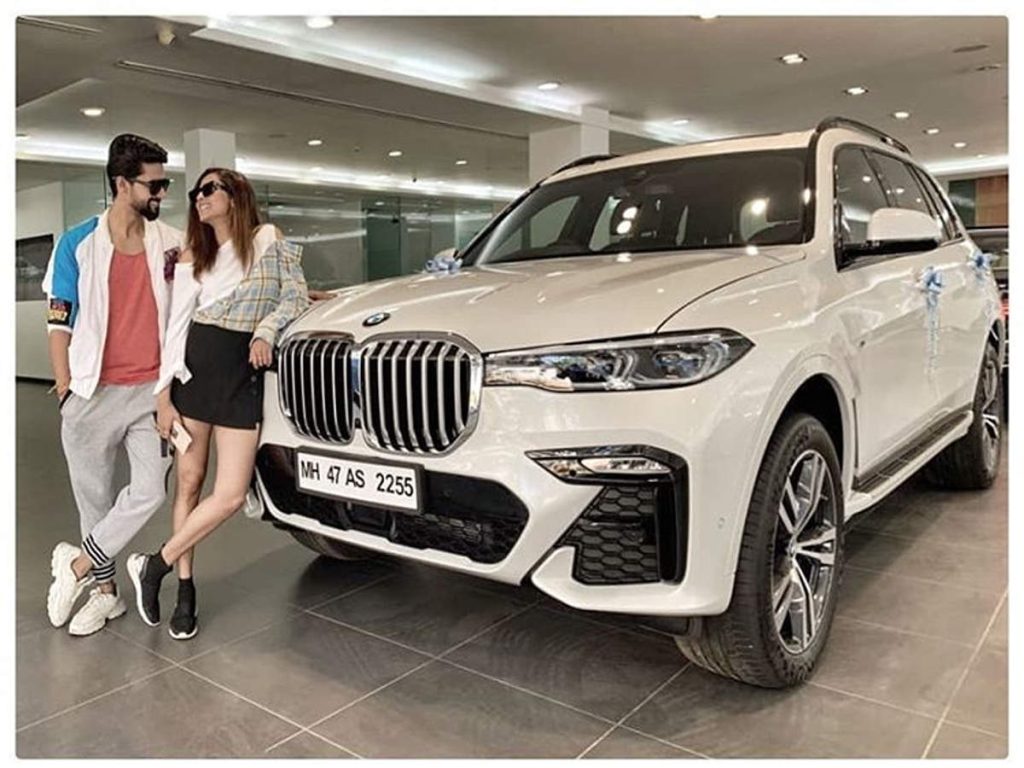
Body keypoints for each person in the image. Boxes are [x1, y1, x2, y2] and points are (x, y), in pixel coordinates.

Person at [127, 167, 310, 639]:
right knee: (188, 483)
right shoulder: (194, 256)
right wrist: (163, 394)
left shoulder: (267, 238)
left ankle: (155, 563)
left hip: (242, 374)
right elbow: (175, 327)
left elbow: (293, 294)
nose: (200, 198)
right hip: (196, 372)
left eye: (210, 189)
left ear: (236, 195)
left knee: (229, 493)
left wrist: (268, 330)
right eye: (195, 193)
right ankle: (185, 588)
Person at [43, 134, 183, 636]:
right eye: (155, 184)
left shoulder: (169, 242)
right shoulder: (77, 242)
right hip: (91, 394)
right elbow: (59, 321)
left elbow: (204, 291)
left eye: (164, 184)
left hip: (151, 394)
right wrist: (65, 387)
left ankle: (77, 565)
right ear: (122, 184)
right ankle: (106, 596)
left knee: (149, 490)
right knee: (94, 502)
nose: (161, 193)